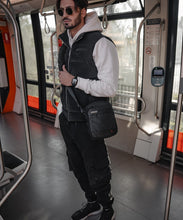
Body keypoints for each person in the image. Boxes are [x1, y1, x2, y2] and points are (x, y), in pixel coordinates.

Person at [56, 0, 119, 219]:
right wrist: (61, 114)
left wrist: (75, 82)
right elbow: (63, 83)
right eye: (61, 11)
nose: (65, 14)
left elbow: (109, 87)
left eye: (70, 10)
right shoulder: (65, 43)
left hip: (88, 119)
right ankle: (92, 202)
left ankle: (107, 206)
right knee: (77, 166)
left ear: (83, 11)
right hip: (68, 119)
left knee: (96, 167)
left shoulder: (101, 44)